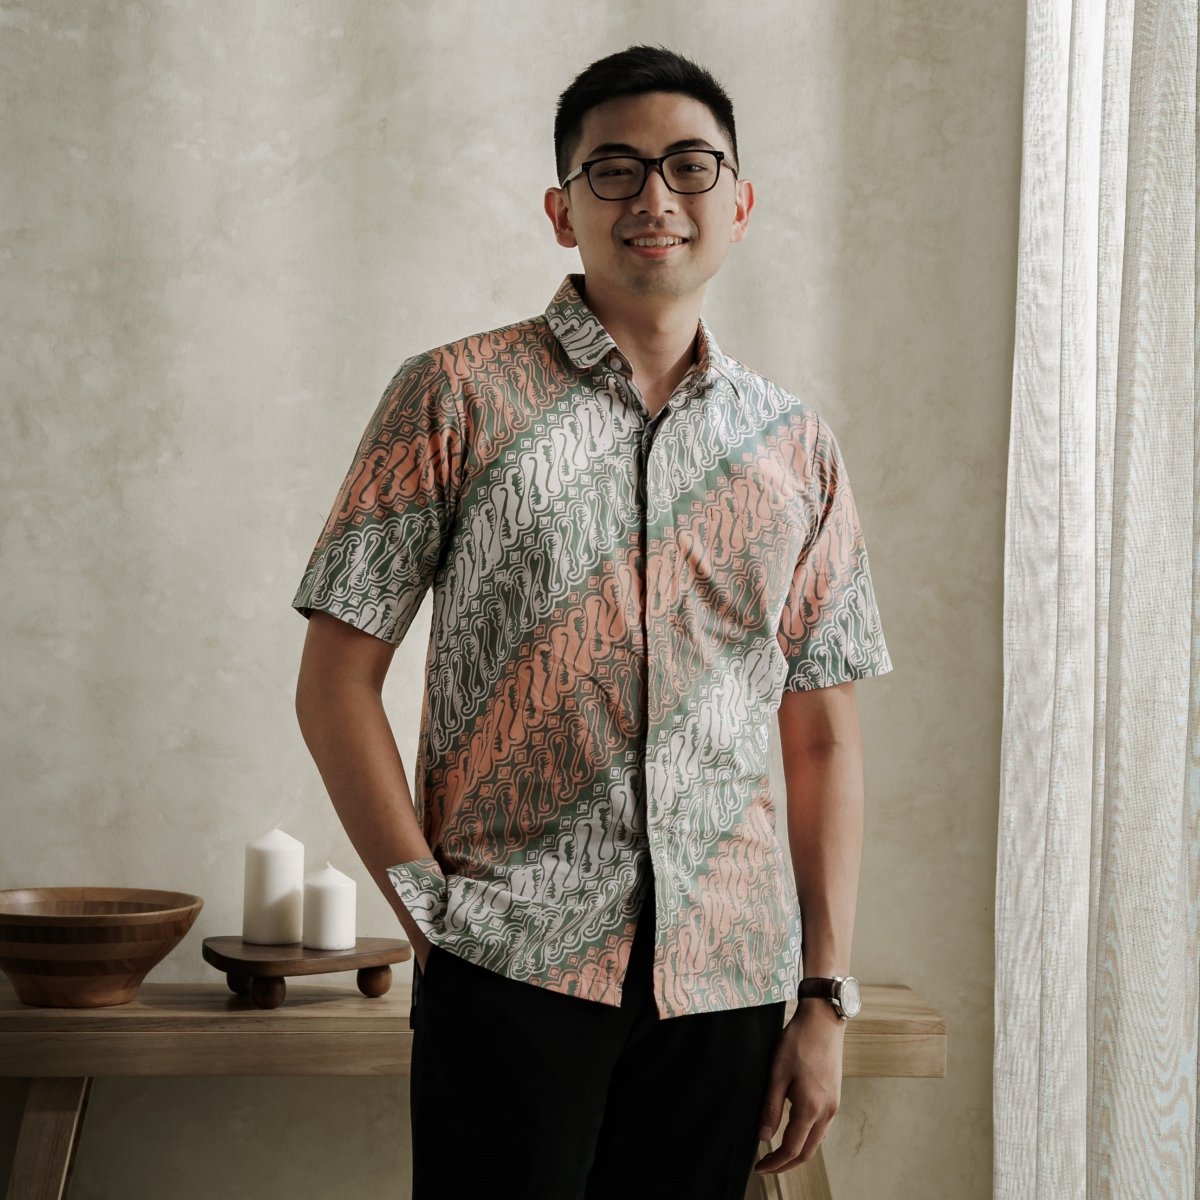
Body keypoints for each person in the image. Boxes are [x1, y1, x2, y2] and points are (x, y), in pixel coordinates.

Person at [292, 44, 893, 1200]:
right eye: (614, 169)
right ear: (563, 211)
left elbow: (821, 736)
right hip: (509, 965)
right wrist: (431, 918)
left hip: (725, 986)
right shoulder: (453, 395)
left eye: (689, 166)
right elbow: (333, 682)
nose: (654, 197)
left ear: (740, 204)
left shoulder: (796, 448)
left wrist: (823, 995)